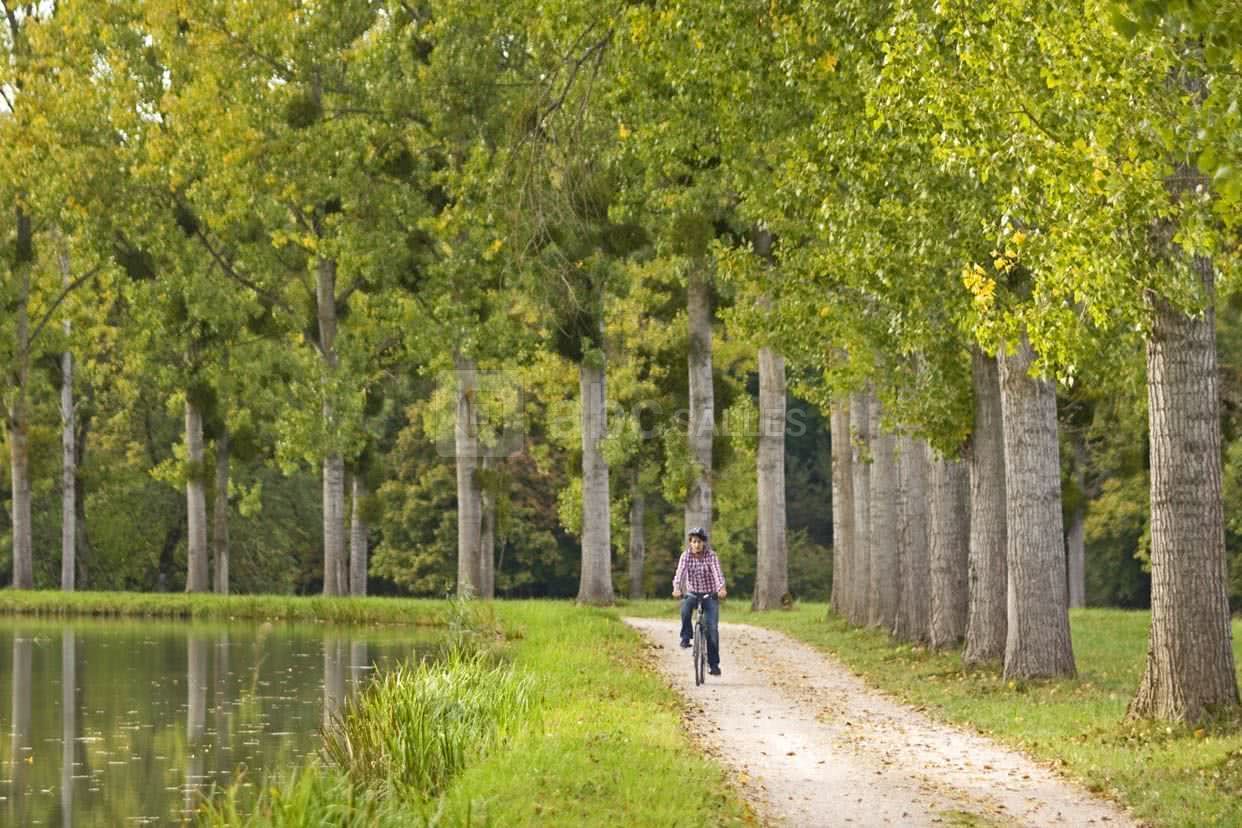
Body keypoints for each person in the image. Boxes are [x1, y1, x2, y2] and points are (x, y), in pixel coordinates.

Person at [672, 527, 727, 676]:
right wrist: (677, 588)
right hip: (692, 593)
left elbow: (717, 574)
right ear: (690, 543)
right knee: (685, 608)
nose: (697, 545)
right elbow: (680, 573)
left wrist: (721, 588)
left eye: (699, 542)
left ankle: (713, 664)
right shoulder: (686, 556)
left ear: (704, 543)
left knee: (712, 629)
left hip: (709, 595)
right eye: (694, 542)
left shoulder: (711, 556)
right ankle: (686, 637)